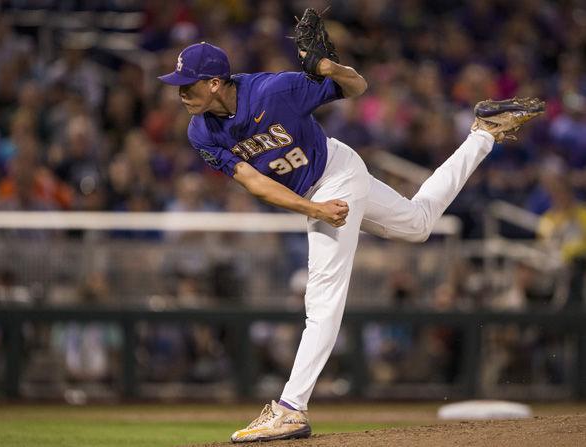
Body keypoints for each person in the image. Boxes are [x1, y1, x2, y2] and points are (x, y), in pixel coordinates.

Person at [158, 28, 543, 446]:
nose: (180, 93)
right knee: (417, 225)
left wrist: (328, 67)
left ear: (215, 83)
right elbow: (252, 181)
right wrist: (313, 209)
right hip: (317, 191)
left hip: (334, 175)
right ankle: (484, 131)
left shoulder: (274, 90)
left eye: (187, 84)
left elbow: (357, 86)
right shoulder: (202, 132)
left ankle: (290, 409)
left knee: (322, 298)